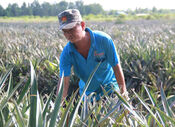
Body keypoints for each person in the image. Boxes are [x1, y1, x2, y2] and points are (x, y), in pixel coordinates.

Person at [56, 9, 128, 101]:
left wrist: (124, 94)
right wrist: (58, 109)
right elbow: (64, 82)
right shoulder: (67, 53)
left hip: (110, 91)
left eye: (72, 29)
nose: (69, 34)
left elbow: (116, 66)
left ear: (82, 25)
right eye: (65, 31)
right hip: (88, 97)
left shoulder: (103, 40)